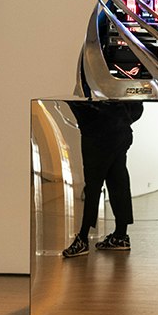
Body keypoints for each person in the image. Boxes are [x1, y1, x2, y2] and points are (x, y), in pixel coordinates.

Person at [61, 99, 144, 257]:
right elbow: (137, 107)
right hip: (120, 132)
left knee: (93, 185)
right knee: (118, 182)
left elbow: (80, 104)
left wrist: (94, 121)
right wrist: (122, 119)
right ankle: (120, 236)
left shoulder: (89, 81)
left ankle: (83, 239)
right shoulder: (114, 80)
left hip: (97, 135)